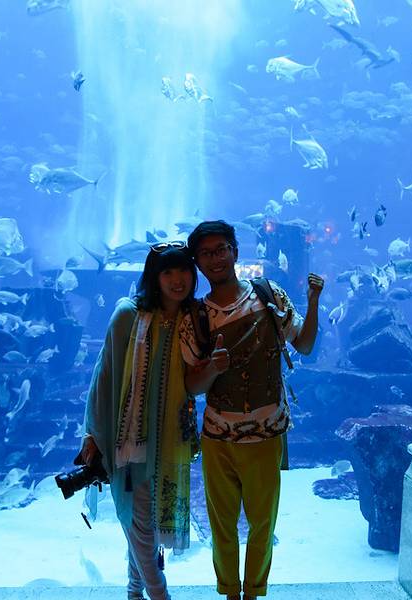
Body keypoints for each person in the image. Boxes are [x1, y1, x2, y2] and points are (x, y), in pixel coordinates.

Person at [178, 220, 324, 600]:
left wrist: (313, 302)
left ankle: (253, 592)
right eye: (205, 253)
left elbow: (304, 345)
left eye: (221, 249)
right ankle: (230, 592)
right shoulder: (195, 317)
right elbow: (191, 386)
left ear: (235, 252)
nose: (215, 258)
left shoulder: (268, 295)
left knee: (263, 525)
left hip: (267, 432)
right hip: (218, 437)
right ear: (197, 262)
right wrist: (212, 369)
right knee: (222, 526)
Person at [81, 241, 199, 600]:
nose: (177, 280)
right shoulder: (127, 315)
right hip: (130, 442)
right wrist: (91, 434)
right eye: (167, 272)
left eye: (183, 270)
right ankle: (159, 594)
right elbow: (103, 377)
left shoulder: (193, 320)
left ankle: (134, 592)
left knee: (145, 523)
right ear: (153, 276)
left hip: (171, 442)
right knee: (140, 525)